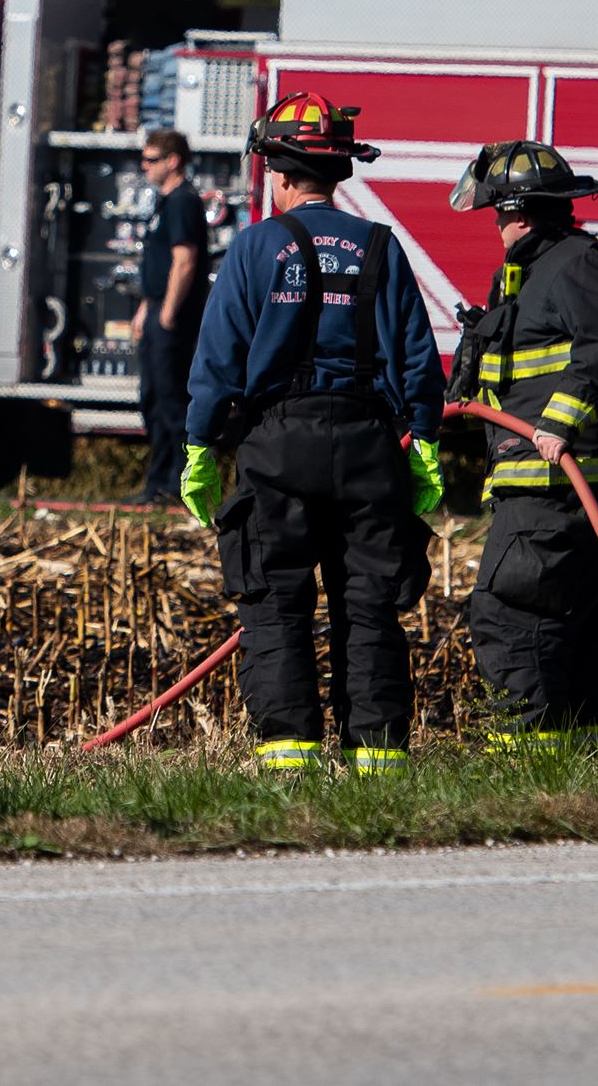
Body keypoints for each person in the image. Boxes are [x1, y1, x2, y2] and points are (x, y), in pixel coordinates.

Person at [182, 93, 446, 774]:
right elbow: (418, 360)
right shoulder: (380, 247)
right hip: (366, 445)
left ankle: (288, 758)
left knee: (275, 602)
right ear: (336, 170)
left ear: (279, 170)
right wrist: (426, 448)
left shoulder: (255, 247)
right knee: (369, 606)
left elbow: (217, 361)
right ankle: (378, 760)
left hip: (275, 444)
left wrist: (200, 449)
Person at [447, 140, 598, 750]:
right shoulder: (530, 275)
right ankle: (595, 758)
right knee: (577, 624)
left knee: (511, 614)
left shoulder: (575, 264)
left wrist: (557, 423)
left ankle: (524, 761)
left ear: (523, 211)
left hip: (555, 486)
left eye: (498, 213)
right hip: (550, 488)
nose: (495, 225)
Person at [128, 127, 210, 507]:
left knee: (172, 400)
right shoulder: (164, 202)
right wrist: (147, 308)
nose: (144, 166)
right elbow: (158, 266)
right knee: (153, 399)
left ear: (173, 161)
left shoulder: (183, 201)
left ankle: (175, 484)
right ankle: (157, 481)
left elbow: (184, 260)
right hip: (158, 308)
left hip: (172, 316)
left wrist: (169, 314)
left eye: (151, 159)